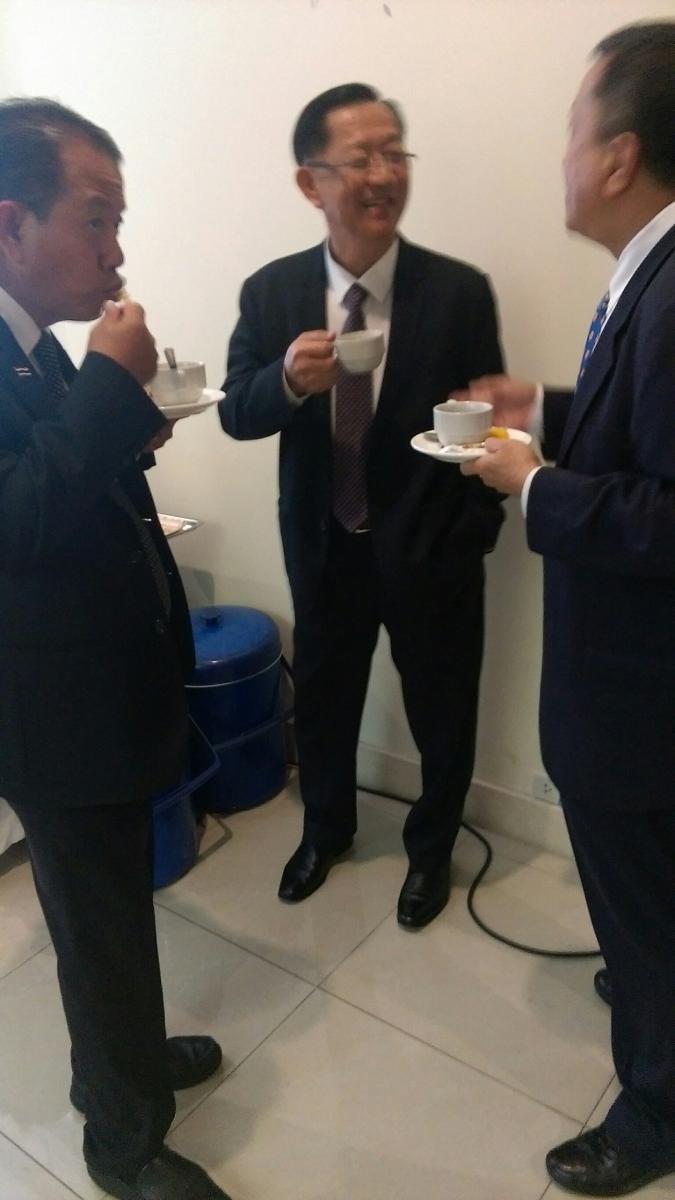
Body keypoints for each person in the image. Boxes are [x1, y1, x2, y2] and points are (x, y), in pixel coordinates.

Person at [0, 99, 230, 1200]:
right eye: (96, 218)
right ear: (10, 224)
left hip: (90, 684)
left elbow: (60, 475)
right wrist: (107, 386)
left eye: (117, 221)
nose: (115, 250)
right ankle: (122, 1141)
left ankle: (126, 1062)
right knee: (95, 924)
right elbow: (14, 522)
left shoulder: (33, 347)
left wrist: (126, 418)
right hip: (44, 711)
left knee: (115, 906)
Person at [461, 22, 675, 1196]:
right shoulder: (650, 274)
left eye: (572, 133)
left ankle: (654, 1113)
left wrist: (532, 482)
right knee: (648, 903)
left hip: (641, 698)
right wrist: (546, 404)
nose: (562, 158)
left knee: (644, 906)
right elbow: (646, 428)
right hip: (635, 687)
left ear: (620, 156)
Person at [220, 83, 505, 929]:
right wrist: (285, 382)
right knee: (323, 702)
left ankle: (430, 852)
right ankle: (326, 831)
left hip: (432, 550)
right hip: (323, 546)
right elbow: (236, 412)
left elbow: (484, 421)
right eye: (359, 159)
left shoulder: (458, 291)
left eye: (394, 154)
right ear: (310, 182)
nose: (383, 175)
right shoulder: (271, 292)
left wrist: (470, 535)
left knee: (443, 713)